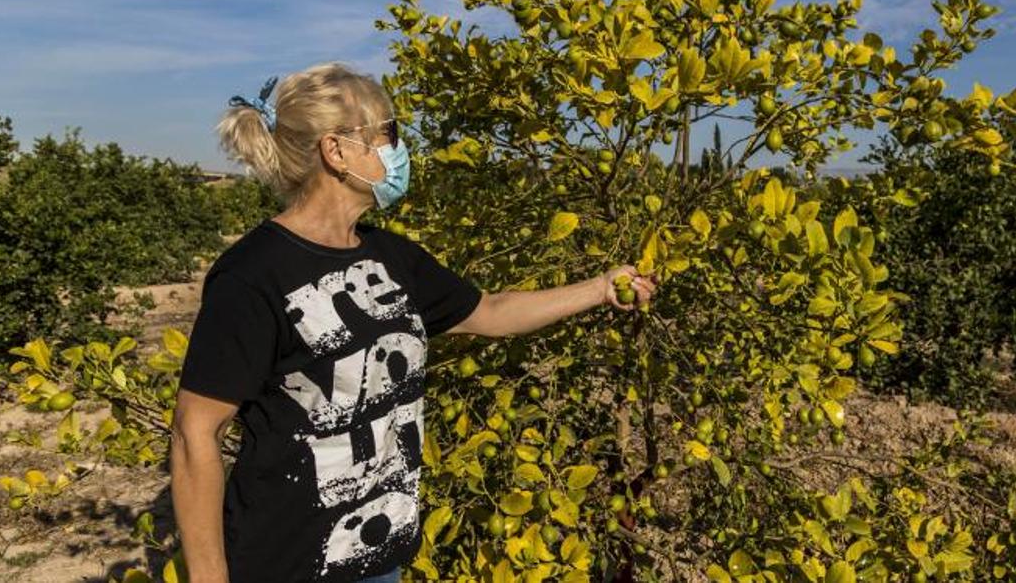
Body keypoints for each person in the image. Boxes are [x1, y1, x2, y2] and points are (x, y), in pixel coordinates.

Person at [169, 61, 657, 583]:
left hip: (379, 555)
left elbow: (488, 311)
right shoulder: (253, 274)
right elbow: (195, 432)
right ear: (336, 151)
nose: (397, 150)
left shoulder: (390, 256)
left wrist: (599, 288)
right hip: (286, 564)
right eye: (387, 133)